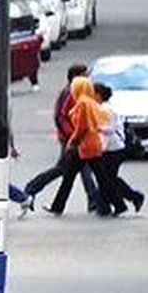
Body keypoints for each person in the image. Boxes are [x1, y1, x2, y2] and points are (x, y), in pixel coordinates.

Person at [23, 65, 103, 210]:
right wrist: (72, 137)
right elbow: (60, 117)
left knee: (82, 170)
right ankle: (31, 188)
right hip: (72, 138)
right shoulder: (69, 93)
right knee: (63, 169)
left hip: (78, 138)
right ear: (76, 76)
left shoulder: (78, 92)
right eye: (85, 75)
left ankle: (92, 200)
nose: (88, 78)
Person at [45, 77, 123, 216]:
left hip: (84, 146)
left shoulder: (82, 104)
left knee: (71, 178)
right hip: (91, 144)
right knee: (99, 178)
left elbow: (82, 127)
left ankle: (58, 206)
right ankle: (118, 204)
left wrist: (72, 142)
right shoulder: (90, 102)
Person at [94, 82, 145, 214]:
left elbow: (109, 129)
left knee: (107, 179)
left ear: (99, 95)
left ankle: (127, 199)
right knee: (109, 178)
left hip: (113, 149)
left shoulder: (106, 110)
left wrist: (95, 127)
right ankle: (125, 200)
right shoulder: (105, 108)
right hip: (112, 148)